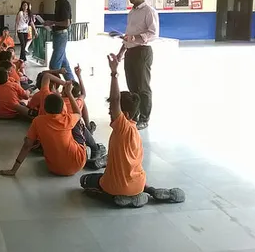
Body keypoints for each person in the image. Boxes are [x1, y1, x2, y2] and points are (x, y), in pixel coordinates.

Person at [79, 54, 184, 208]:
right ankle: (148, 191)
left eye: (111, 111)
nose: (110, 112)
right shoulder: (134, 131)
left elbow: (115, 100)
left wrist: (114, 73)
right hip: (139, 182)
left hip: (117, 186)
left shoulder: (123, 127)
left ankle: (119, 198)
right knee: (118, 175)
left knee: (85, 181)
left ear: (125, 115)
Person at [0, 86, 86, 177]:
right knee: (78, 124)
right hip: (78, 163)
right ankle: (93, 146)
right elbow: (78, 114)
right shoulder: (68, 118)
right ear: (62, 108)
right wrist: (69, 93)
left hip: (54, 168)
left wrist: (13, 170)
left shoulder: (38, 121)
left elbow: (27, 145)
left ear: (45, 108)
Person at [115, 0, 159, 130]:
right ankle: (135, 114)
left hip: (142, 51)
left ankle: (145, 118)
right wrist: (121, 52)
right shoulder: (132, 13)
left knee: (143, 86)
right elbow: (128, 35)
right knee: (132, 85)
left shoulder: (149, 11)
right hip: (130, 51)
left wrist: (136, 39)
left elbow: (153, 34)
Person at [44, 0, 74, 80]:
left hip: (61, 35)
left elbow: (67, 23)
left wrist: (52, 23)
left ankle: (52, 88)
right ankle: (73, 85)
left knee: (54, 65)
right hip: (58, 35)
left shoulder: (63, 3)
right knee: (64, 63)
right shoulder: (59, 3)